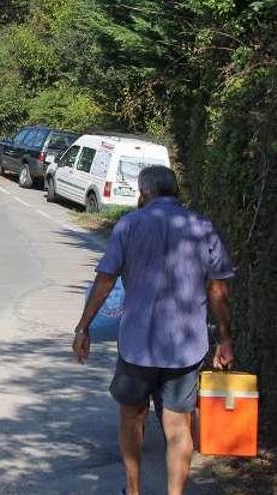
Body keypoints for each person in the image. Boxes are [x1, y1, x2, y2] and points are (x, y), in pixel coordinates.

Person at [72, 166, 236, 495]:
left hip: (138, 345)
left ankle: (133, 491)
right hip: (186, 347)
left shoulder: (130, 224)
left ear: (143, 193)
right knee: (178, 427)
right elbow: (217, 290)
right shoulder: (201, 225)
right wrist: (225, 338)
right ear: (175, 191)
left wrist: (83, 327)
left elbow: (105, 281)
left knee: (132, 418)